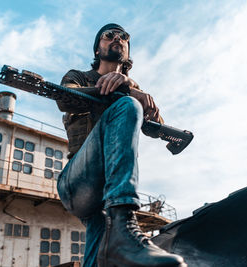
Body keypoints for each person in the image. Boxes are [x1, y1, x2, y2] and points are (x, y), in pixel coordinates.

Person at [56, 23, 186, 267]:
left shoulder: (135, 89)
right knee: (127, 105)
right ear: (97, 49)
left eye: (123, 36)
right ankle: (124, 221)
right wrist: (122, 90)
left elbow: (155, 125)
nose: (117, 38)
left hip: (106, 191)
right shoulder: (78, 76)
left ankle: (118, 237)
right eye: (109, 35)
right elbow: (66, 99)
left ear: (127, 49)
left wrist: (141, 98)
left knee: (100, 244)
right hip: (77, 182)